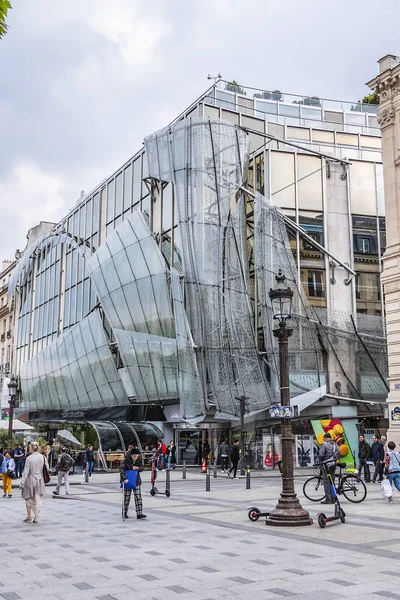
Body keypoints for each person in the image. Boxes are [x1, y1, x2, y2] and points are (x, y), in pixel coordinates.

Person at [21, 441, 49, 523]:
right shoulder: (43, 457)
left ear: (31, 448)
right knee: (37, 498)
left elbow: (26, 471)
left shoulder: (29, 458)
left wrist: (22, 482)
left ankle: (29, 515)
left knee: (28, 497)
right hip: (40, 479)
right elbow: (47, 468)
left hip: (30, 479)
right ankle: (36, 517)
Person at [120, 447, 146, 519]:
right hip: (128, 480)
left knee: (138, 497)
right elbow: (121, 469)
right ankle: (124, 512)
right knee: (126, 497)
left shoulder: (139, 459)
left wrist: (138, 468)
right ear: (131, 455)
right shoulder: (126, 460)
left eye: (137, 456)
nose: (136, 457)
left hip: (136, 480)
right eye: (134, 456)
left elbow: (142, 467)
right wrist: (124, 478)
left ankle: (139, 513)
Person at [318, 433, 340, 504]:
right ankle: (333, 498)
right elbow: (338, 453)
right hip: (333, 463)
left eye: (324, 438)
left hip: (326, 464)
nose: (323, 439)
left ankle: (328, 499)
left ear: (326, 438)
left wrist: (321, 460)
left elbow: (321, 454)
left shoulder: (325, 444)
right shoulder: (335, 444)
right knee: (332, 480)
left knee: (326, 481)